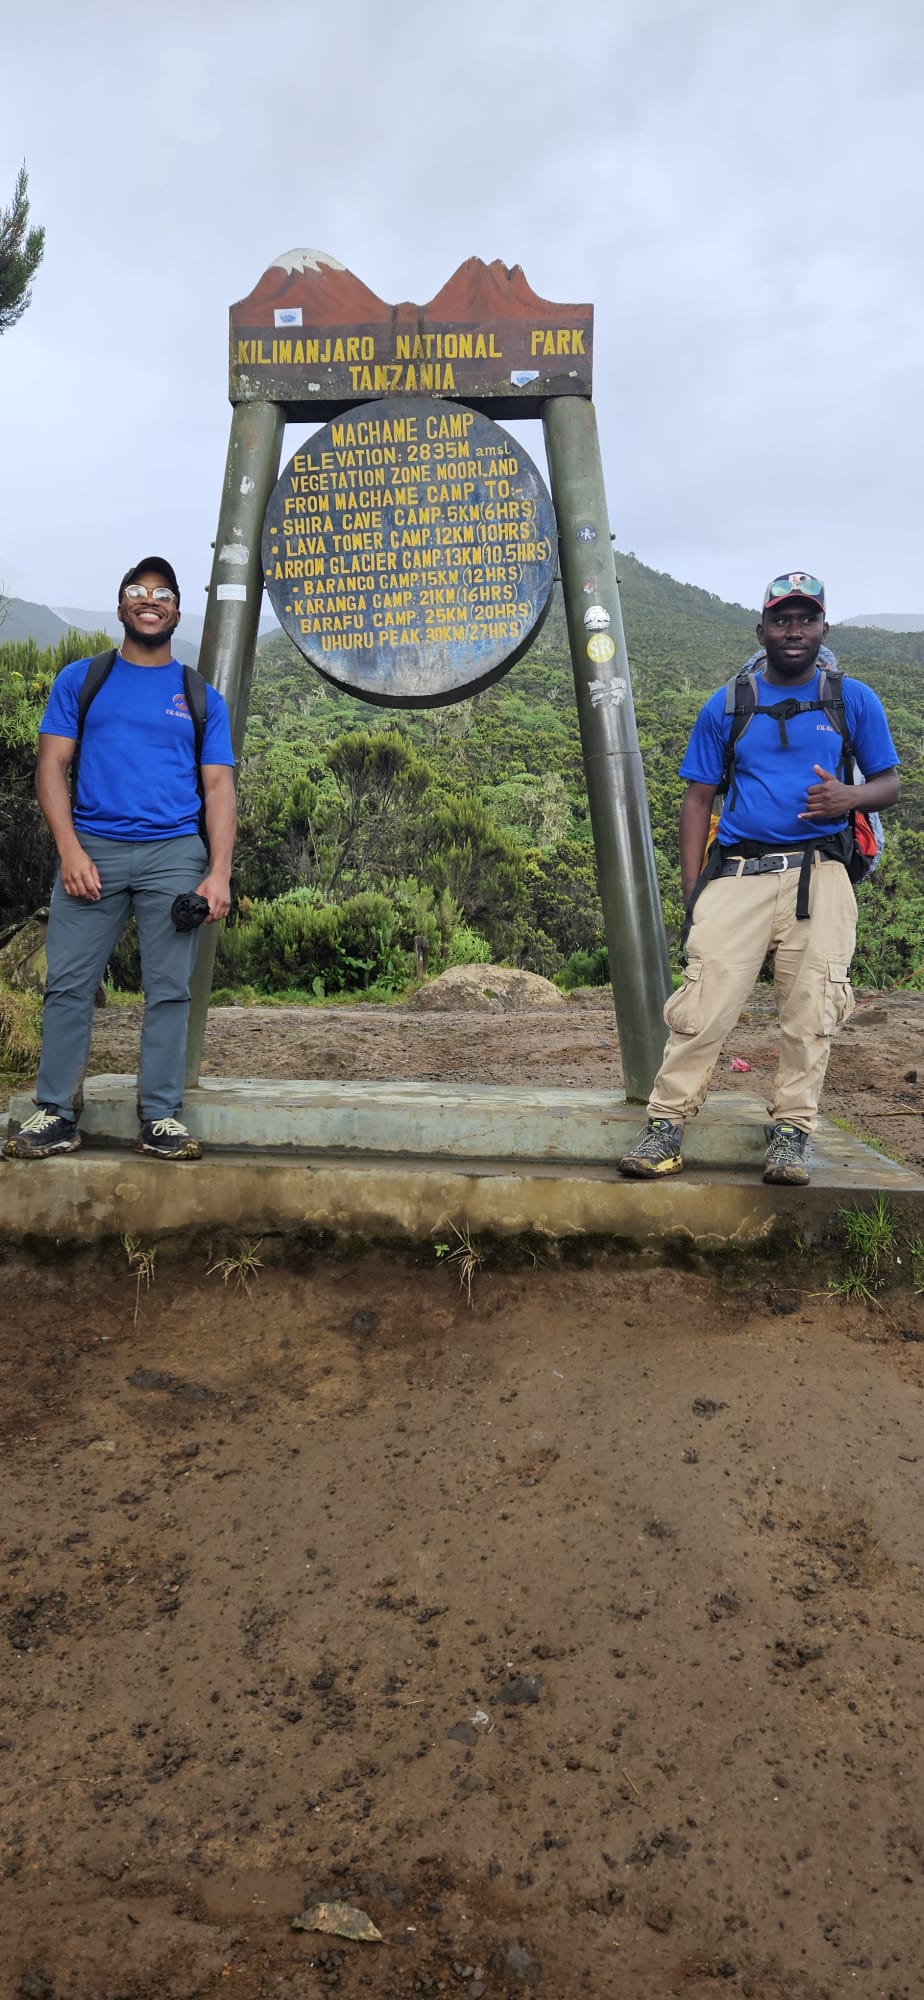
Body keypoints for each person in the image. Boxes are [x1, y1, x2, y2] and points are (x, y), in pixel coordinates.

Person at [619, 571, 900, 1186]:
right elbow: (698, 799)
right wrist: (694, 893)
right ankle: (665, 1127)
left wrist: (849, 797)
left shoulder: (854, 700)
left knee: (812, 1009)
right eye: (782, 619)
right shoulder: (727, 704)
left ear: (823, 628)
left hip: (821, 873)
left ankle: (792, 1133)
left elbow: (890, 783)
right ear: (762, 630)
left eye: (806, 619)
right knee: (703, 1005)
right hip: (739, 870)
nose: (794, 630)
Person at [4, 557, 236, 1163]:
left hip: (174, 855)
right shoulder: (81, 680)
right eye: (138, 590)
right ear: (121, 607)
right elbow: (51, 767)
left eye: (163, 594)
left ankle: (160, 1117)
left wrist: (218, 872)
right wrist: (70, 849)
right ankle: (56, 1114)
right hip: (92, 852)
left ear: (176, 613)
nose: (149, 600)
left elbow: (218, 788)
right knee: (68, 985)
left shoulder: (200, 696)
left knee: (169, 991)